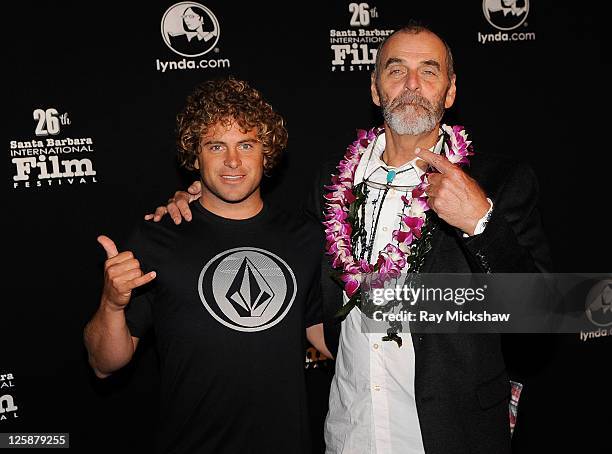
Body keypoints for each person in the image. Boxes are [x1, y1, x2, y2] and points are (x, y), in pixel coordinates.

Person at [150, 24, 551, 454]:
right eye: (396, 70)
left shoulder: (500, 181)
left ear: (450, 91)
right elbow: (273, 245)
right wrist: (199, 197)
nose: (412, 84)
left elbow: (544, 320)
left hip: (449, 436)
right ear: (376, 89)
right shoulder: (333, 183)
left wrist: (481, 221)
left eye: (428, 71)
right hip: (351, 431)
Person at [83, 77, 331, 454]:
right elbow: (104, 364)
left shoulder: (307, 237)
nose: (233, 161)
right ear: (195, 156)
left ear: (267, 154)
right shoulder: (157, 237)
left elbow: (328, 341)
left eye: (246, 145)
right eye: (216, 146)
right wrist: (111, 304)